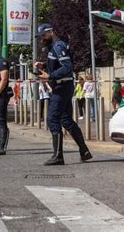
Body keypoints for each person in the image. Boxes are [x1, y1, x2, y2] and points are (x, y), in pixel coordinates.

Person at [34, 23, 92, 166]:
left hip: (62, 87)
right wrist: (44, 66)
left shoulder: (58, 46)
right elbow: (59, 65)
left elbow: (67, 67)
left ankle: (58, 156)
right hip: (62, 87)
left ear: (51, 32)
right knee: (65, 120)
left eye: (43, 35)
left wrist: (50, 75)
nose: (41, 39)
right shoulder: (53, 47)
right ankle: (84, 151)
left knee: (52, 119)